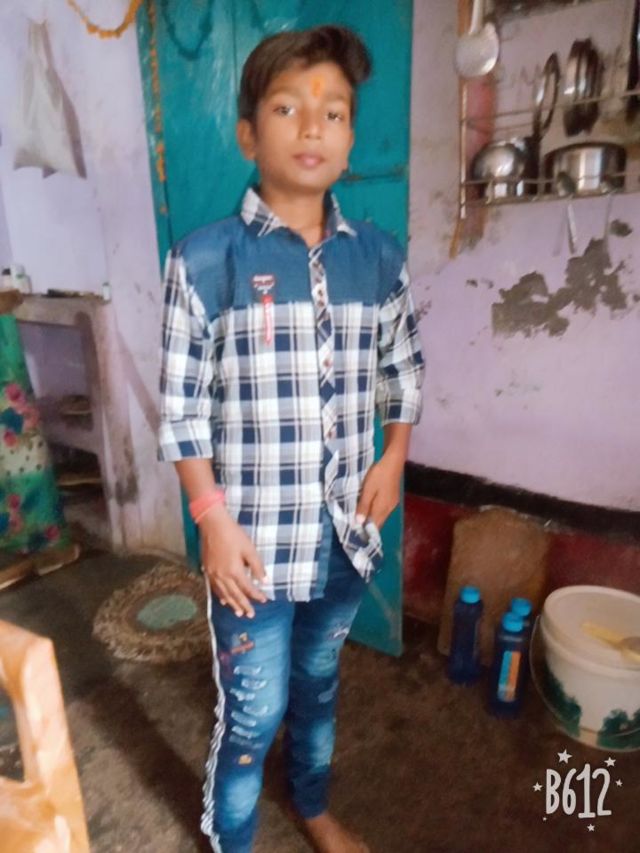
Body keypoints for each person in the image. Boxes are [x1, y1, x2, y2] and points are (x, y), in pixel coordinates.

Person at [158, 24, 425, 853]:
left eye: (334, 111)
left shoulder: (377, 258)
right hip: (250, 549)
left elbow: (403, 369)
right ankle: (230, 837)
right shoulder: (205, 262)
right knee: (253, 709)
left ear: (350, 136)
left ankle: (312, 805)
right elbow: (180, 408)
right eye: (287, 108)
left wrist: (394, 455)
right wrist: (210, 518)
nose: (313, 127)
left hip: (345, 533)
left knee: (318, 684)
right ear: (248, 134)